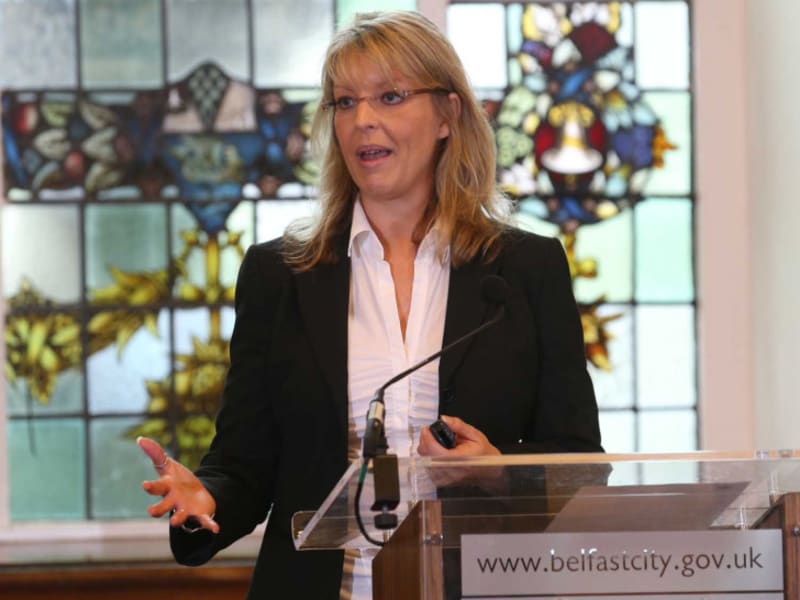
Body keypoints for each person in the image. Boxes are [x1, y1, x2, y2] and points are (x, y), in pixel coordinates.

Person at [137, 10, 602, 599]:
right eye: (345, 102)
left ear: (447, 115)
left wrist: (495, 470)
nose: (363, 121)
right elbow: (243, 463)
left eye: (389, 96)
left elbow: (582, 465)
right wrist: (206, 496)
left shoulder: (523, 270)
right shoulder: (279, 275)